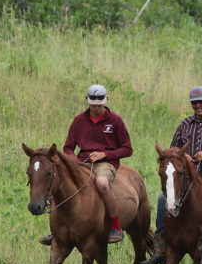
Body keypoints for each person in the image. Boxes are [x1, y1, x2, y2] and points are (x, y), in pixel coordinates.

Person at [140, 86, 202, 264]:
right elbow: (173, 150)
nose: (198, 106)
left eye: (201, 102)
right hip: (187, 175)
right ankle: (161, 246)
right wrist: (180, 157)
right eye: (194, 103)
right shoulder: (185, 124)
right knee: (163, 198)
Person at [39, 84, 132, 245]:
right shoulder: (79, 121)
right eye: (93, 104)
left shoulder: (115, 121)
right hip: (82, 162)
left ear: (106, 101)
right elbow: (68, 147)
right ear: (87, 101)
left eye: (100, 105)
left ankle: (116, 226)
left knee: (102, 183)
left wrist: (105, 154)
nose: (96, 108)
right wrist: (73, 161)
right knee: (60, 182)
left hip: (106, 163)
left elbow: (127, 149)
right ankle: (57, 229)